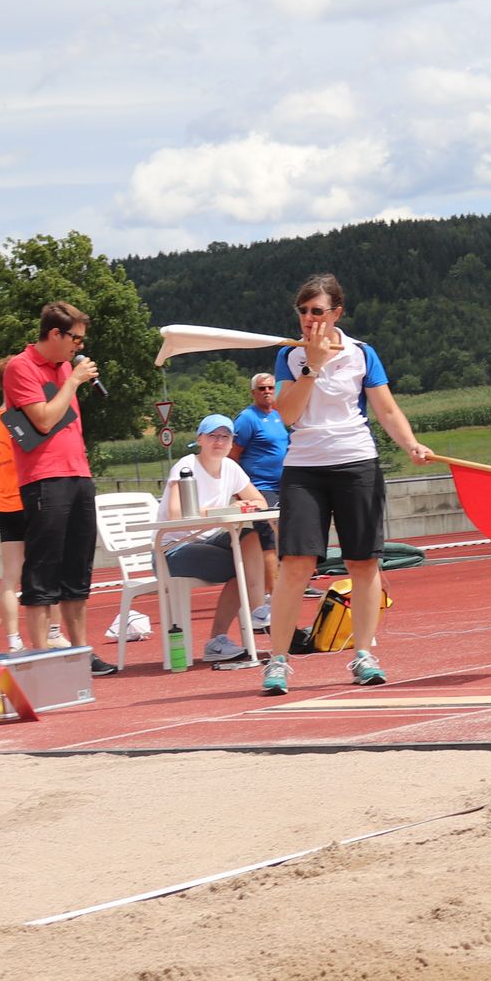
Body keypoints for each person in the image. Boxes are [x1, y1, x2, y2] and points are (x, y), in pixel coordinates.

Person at [266, 274, 434, 693]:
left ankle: (364, 654)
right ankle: (277, 661)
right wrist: (312, 366)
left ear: (336, 312)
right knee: (296, 565)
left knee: (363, 562)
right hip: (304, 467)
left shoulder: (362, 354)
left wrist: (411, 444)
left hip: (356, 462)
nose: (308, 319)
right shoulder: (289, 356)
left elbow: (387, 410)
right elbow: (286, 415)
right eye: (303, 311)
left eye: (317, 311)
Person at [3, 301, 111, 675]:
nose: (79, 347)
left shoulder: (66, 367)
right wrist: (73, 381)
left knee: (77, 569)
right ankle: (41, 657)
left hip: (78, 474)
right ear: (55, 334)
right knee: (43, 569)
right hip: (44, 479)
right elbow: (44, 421)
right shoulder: (21, 367)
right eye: (76, 339)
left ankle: (80, 652)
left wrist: (71, 377)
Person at [163, 414, 270, 664]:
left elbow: (260, 502)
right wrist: (223, 512)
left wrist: (243, 504)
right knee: (244, 566)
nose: (219, 441)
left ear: (232, 442)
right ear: (200, 439)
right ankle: (236, 626)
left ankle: (253, 614)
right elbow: (176, 514)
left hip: (210, 541)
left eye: (225, 436)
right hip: (174, 548)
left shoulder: (231, 467)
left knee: (250, 537)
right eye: (213, 435)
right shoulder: (186, 466)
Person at [230, 370, 290, 631]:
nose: (267, 392)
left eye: (270, 388)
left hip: (283, 485)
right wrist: (236, 490)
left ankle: (286, 587)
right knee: (268, 540)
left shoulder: (279, 415)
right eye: (262, 389)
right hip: (259, 489)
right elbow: (233, 454)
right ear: (253, 393)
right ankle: (274, 597)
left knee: (286, 539)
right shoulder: (247, 419)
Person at [0, 358, 27, 653]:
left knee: (11, 576)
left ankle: (13, 639)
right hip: (28, 500)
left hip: (5, 502)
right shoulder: (19, 418)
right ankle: (50, 631)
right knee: (40, 572)